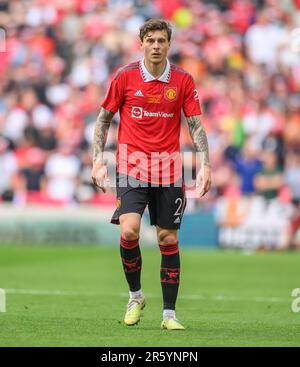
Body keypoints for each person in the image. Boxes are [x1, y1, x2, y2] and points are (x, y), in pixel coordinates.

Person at [91, 19, 211, 330]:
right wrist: (97, 159)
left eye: (161, 41)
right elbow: (104, 119)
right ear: (141, 43)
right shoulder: (126, 76)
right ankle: (135, 296)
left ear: (169, 44)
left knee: (167, 237)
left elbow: (196, 125)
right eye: (151, 41)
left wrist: (206, 164)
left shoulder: (183, 80)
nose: (156, 46)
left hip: (169, 168)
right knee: (129, 231)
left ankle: (169, 315)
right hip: (131, 165)